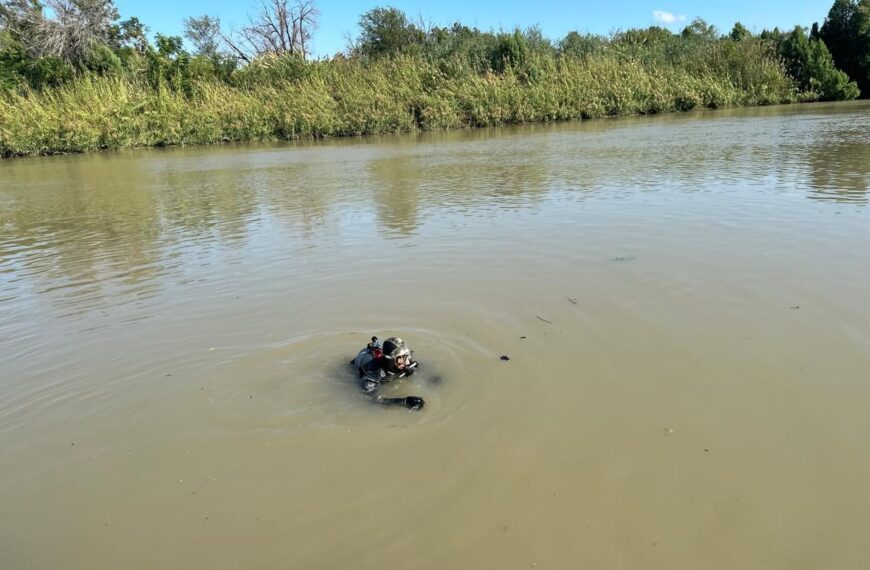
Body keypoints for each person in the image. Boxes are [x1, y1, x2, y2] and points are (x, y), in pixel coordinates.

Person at [351, 336, 425, 410]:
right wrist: (404, 402)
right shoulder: (374, 372)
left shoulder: (402, 358)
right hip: (361, 365)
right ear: (391, 360)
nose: (407, 362)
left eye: (406, 356)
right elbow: (372, 398)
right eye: (402, 358)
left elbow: (417, 366)